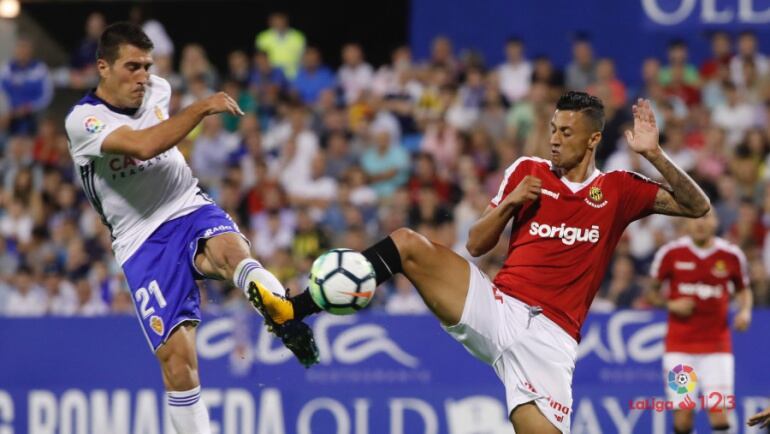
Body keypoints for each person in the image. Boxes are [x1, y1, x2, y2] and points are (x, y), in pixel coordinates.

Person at [276, 91, 711, 433]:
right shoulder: (528, 170)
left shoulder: (619, 189)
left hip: (551, 338)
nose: (555, 139)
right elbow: (476, 243)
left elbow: (697, 207)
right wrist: (510, 204)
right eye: (553, 129)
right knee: (407, 243)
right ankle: (293, 312)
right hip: (498, 306)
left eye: (566, 132)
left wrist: (654, 155)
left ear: (594, 138)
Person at [64, 23, 318, 434]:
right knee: (179, 366)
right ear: (103, 67)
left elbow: (159, 135)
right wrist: (201, 106)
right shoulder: (84, 120)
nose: (143, 77)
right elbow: (144, 145)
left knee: (233, 254)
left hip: (185, 203)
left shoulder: (158, 90)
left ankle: (281, 312)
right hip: (140, 239)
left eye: (147, 66)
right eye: (132, 67)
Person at [647, 211, 752, 434]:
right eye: (696, 218)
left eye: (707, 217)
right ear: (686, 222)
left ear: (716, 221)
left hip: (717, 349)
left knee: (720, 417)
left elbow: (743, 290)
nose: (701, 223)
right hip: (679, 349)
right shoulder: (671, 253)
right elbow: (651, 292)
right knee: (683, 419)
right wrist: (671, 304)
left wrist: (745, 311)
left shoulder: (731, 255)